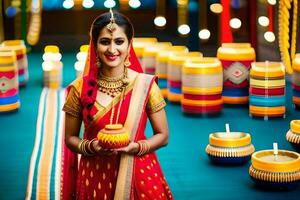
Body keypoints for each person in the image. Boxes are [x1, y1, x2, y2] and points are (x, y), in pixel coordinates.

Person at [62, 9, 173, 200]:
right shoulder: (80, 89)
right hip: (94, 176)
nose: (112, 50)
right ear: (95, 45)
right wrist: (90, 147)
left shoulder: (145, 85)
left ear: (130, 45)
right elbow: (70, 138)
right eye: (105, 41)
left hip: (137, 173)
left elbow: (163, 136)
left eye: (119, 42)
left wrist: (137, 147)